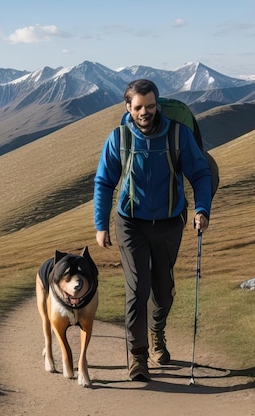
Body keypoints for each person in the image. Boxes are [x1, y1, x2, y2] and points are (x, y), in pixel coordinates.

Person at [93, 79, 212, 382]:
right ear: (128, 108)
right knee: (137, 288)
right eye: (138, 107)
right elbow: (104, 182)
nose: (144, 112)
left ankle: (157, 331)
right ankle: (138, 357)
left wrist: (201, 209)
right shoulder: (119, 138)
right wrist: (100, 224)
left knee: (163, 291)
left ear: (157, 104)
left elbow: (199, 172)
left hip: (170, 222)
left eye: (150, 106)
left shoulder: (177, 134)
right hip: (130, 222)